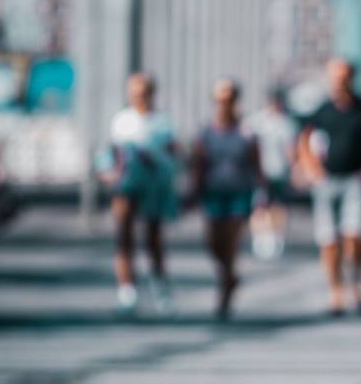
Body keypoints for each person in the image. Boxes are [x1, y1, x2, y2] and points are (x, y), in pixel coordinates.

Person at [297, 59, 361, 317]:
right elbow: (303, 139)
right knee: (329, 240)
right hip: (327, 181)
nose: (339, 82)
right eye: (335, 77)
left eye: (343, 77)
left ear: (352, 78)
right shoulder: (322, 111)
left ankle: (357, 284)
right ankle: (336, 291)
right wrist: (310, 168)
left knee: (354, 235)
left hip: (356, 181)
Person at [101, 73, 179, 315]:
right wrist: (108, 173)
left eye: (143, 93)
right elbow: (111, 154)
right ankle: (127, 290)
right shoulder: (122, 120)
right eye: (134, 93)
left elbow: (173, 153)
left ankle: (159, 287)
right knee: (124, 236)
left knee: (153, 238)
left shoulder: (162, 122)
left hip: (154, 186)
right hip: (126, 187)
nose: (139, 98)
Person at [189, 79, 264, 320]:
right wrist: (194, 191)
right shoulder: (206, 132)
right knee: (213, 242)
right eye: (220, 99)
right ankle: (229, 276)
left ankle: (224, 296)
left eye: (229, 98)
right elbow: (199, 164)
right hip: (214, 192)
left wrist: (264, 193)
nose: (224, 104)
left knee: (231, 243)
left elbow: (257, 164)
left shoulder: (246, 132)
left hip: (239, 193)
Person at [247, 86, 297, 260]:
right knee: (259, 206)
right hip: (260, 172)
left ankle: (275, 236)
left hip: (279, 171)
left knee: (277, 206)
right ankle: (261, 236)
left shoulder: (286, 123)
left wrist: (293, 169)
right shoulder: (257, 121)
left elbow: (291, 150)